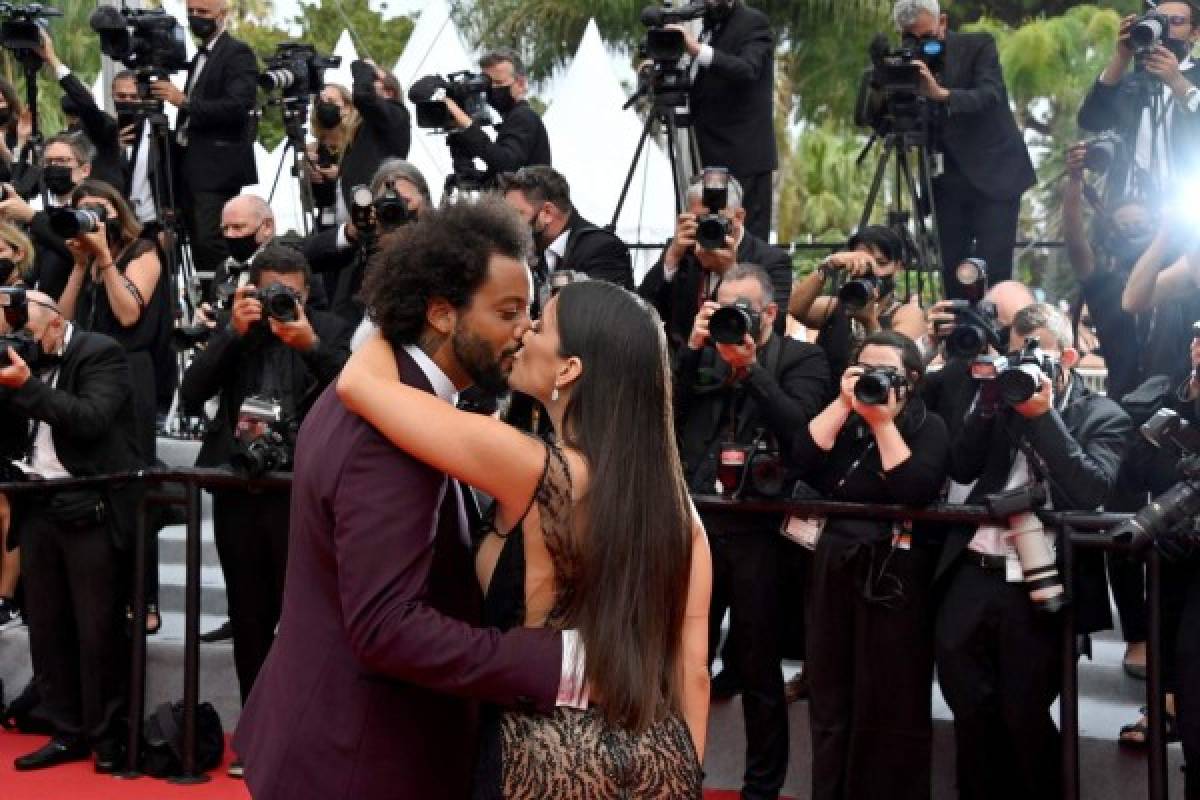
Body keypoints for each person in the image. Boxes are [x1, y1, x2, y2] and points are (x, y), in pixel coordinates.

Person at [236, 197, 710, 799]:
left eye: (535, 317)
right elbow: (385, 626)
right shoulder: (391, 430)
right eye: (511, 312)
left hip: (513, 755)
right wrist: (570, 669)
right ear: (440, 314)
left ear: (570, 369)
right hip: (360, 756)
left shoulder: (396, 402)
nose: (523, 331)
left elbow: (359, 379)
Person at [935, 303, 1130, 800]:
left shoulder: (1103, 414)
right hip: (975, 569)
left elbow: (1090, 491)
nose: (1026, 362)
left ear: (1066, 356)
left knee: (1023, 712)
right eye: (1018, 350)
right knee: (967, 708)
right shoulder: (997, 396)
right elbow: (960, 465)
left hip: (1046, 580)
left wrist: (1042, 418)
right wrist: (985, 401)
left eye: (1038, 352)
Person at [181, 243, 350, 777]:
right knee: (250, 619)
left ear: (306, 291)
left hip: (303, 493)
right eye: (271, 292)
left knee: (305, 622)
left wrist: (309, 342)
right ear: (251, 288)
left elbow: (357, 388)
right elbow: (190, 394)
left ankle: (303, 734)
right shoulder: (237, 328)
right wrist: (231, 331)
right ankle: (255, 737)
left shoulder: (326, 327)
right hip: (241, 489)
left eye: (291, 294)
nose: (280, 302)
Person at [675, 262, 830, 800]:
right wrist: (694, 350)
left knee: (758, 669)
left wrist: (752, 367)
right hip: (696, 519)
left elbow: (803, 436)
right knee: (683, 660)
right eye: (723, 309)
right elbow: (661, 415)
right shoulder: (700, 357)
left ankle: (761, 789)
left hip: (760, 532)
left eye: (742, 310)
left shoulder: (803, 358)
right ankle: (674, 773)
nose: (732, 321)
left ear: (769, 313)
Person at [793, 330, 949, 800]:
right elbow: (800, 461)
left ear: (913, 379)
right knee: (829, 692)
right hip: (833, 564)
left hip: (894, 575)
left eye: (887, 373)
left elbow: (913, 490)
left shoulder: (929, 425)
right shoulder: (844, 418)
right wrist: (844, 404)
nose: (874, 380)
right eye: (865, 370)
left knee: (890, 697)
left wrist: (884, 423)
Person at [0, 290, 142, 772]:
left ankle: (109, 739)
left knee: (97, 628)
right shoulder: (19, 362)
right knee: (46, 627)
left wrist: (26, 388)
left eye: (30, 334)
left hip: (92, 503)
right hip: (37, 503)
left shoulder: (101, 352)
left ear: (56, 325)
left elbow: (91, 420)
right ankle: (66, 732)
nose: (22, 344)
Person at [892, 0, 1036, 296]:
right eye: (911, 39)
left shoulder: (977, 46)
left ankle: (995, 333)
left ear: (942, 23)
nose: (921, 46)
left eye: (928, 37)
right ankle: (955, 335)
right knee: (952, 270)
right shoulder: (903, 66)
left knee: (992, 271)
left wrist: (940, 94)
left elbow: (989, 94)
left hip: (994, 176)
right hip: (945, 182)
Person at [151, 0, 258, 275]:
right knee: (196, 238)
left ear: (222, 15)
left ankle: (219, 298)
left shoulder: (237, 53)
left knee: (211, 239)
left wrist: (184, 102)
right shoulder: (200, 56)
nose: (196, 18)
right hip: (189, 164)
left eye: (203, 12)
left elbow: (238, 105)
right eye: (191, 13)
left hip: (217, 168)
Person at [640, 172, 792, 351]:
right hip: (683, 366)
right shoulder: (682, 248)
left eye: (719, 220)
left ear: (739, 217)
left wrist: (731, 272)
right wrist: (671, 259)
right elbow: (643, 310)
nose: (710, 227)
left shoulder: (772, 260)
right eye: (701, 220)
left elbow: (776, 327)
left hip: (737, 366)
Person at [672, 0, 777, 240]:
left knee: (746, 241)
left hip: (744, 155)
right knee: (711, 237)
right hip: (709, 154)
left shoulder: (753, 22)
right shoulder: (708, 26)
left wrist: (695, 49)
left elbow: (747, 69)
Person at [1078, 2, 1200, 200]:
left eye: (1176, 22)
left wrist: (1177, 82)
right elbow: (1091, 120)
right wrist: (1122, 56)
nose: (1166, 29)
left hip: (1188, 206)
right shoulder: (1132, 82)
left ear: (1195, 33)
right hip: (1129, 207)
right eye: (1159, 21)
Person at [303, 158, 432, 324]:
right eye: (385, 203)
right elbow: (302, 259)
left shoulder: (443, 246)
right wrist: (352, 232)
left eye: (404, 202)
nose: (394, 210)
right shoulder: (360, 247)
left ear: (424, 202)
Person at [789, 225, 927, 379]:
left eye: (881, 263)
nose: (871, 271)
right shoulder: (835, 307)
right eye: (864, 262)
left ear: (898, 267)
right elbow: (795, 308)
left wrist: (869, 321)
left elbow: (895, 361)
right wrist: (828, 266)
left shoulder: (906, 313)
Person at [499, 165, 633, 291]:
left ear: (547, 213)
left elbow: (597, 311)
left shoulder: (603, 250)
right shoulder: (533, 253)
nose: (508, 223)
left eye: (516, 214)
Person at [0, 131, 95, 301]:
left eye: (62, 161)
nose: (54, 166)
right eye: (49, 162)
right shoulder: (43, 210)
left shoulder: (95, 206)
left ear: (85, 170)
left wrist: (31, 217)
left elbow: (82, 252)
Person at [444, 48, 552, 185]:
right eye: (487, 84)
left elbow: (506, 163)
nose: (492, 89)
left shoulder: (524, 116)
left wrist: (464, 121)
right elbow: (503, 180)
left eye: (498, 83)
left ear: (520, 83)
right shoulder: (510, 119)